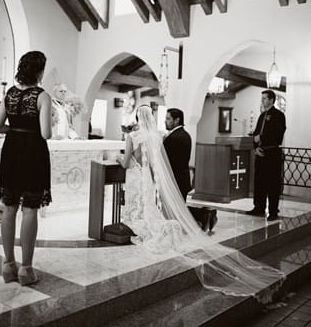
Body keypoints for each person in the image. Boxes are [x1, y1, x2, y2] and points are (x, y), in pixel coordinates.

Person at [117, 105, 283, 299]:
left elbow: (128, 162)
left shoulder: (134, 136)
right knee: (153, 206)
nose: (165, 121)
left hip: (140, 177)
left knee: (141, 206)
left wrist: (119, 157)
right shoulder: (157, 137)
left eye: (169, 118)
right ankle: (202, 215)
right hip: (154, 177)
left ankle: (201, 215)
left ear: (137, 117)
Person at [0, 51, 52, 286]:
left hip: (11, 151)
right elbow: (46, 133)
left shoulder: (10, 94)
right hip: (33, 152)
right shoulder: (42, 96)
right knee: (29, 209)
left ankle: (8, 266)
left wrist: (14, 131)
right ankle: (26, 269)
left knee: (9, 207)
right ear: (39, 71)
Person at [164, 108, 217, 231]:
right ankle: (206, 214)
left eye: (168, 119)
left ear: (177, 120)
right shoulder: (185, 134)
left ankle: (206, 214)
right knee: (181, 204)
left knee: (179, 204)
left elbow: (166, 159)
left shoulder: (173, 137)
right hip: (183, 174)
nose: (165, 121)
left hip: (175, 176)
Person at [246, 90, 286, 221]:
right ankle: (259, 207)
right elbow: (256, 134)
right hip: (260, 153)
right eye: (262, 98)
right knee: (260, 182)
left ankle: (273, 211)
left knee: (272, 183)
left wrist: (261, 137)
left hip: (272, 154)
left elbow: (277, 134)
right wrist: (256, 147)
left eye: (264, 98)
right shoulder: (262, 115)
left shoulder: (279, 115)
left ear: (271, 100)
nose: (262, 101)